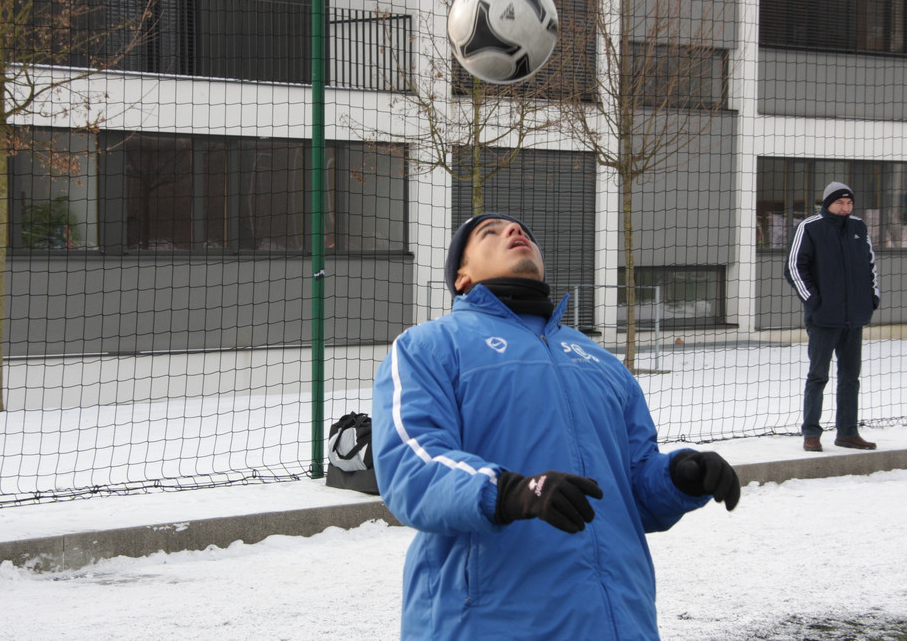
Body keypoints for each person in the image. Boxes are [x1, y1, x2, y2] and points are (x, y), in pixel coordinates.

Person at [371, 213, 740, 640]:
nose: (515, 232)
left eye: (523, 231)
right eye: (490, 233)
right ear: (461, 276)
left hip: (618, 621)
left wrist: (679, 477)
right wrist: (510, 491)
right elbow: (410, 467)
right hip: (486, 622)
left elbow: (630, 486)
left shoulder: (598, 360)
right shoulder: (428, 347)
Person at [784, 182, 880, 453]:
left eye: (849, 203)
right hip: (823, 318)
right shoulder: (810, 227)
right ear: (827, 203)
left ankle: (848, 433)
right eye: (840, 203)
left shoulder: (858, 228)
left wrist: (872, 298)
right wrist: (814, 301)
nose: (845, 208)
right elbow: (794, 267)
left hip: (854, 318)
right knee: (818, 376)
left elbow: (870, 265)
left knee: (851, 377)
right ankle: (811, 433)